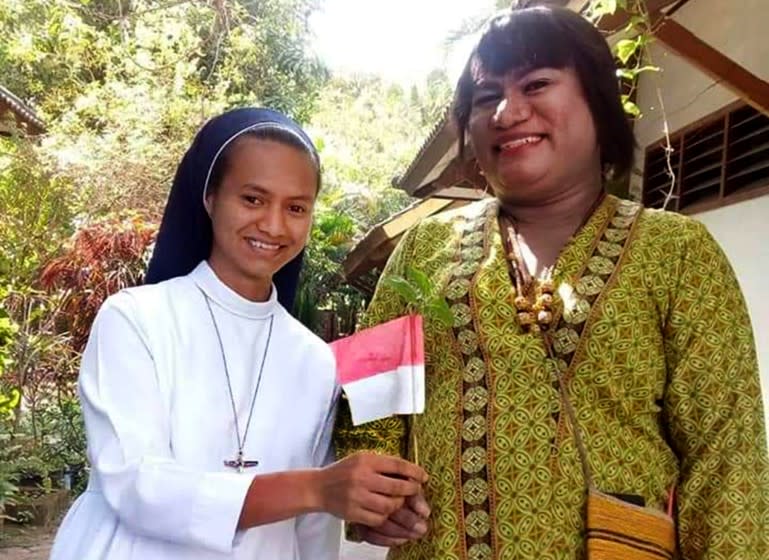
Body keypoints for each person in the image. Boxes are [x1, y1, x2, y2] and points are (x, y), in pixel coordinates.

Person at [335, 6, 769, 559]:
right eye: (486, 98)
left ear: (597, 104)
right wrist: (372, 495)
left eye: (536, 84)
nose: (508, 112)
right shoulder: (425, 249)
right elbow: (366, 397)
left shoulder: (679, 253)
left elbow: (727, 462)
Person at [50, 107, 427, 560]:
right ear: (209, 198)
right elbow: (136, 484)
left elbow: (313, 526)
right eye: (252, 199)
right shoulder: (137, 319)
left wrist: (370, 515)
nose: (273, 225)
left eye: (296, 208)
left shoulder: (315, 359)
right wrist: (316, 487)